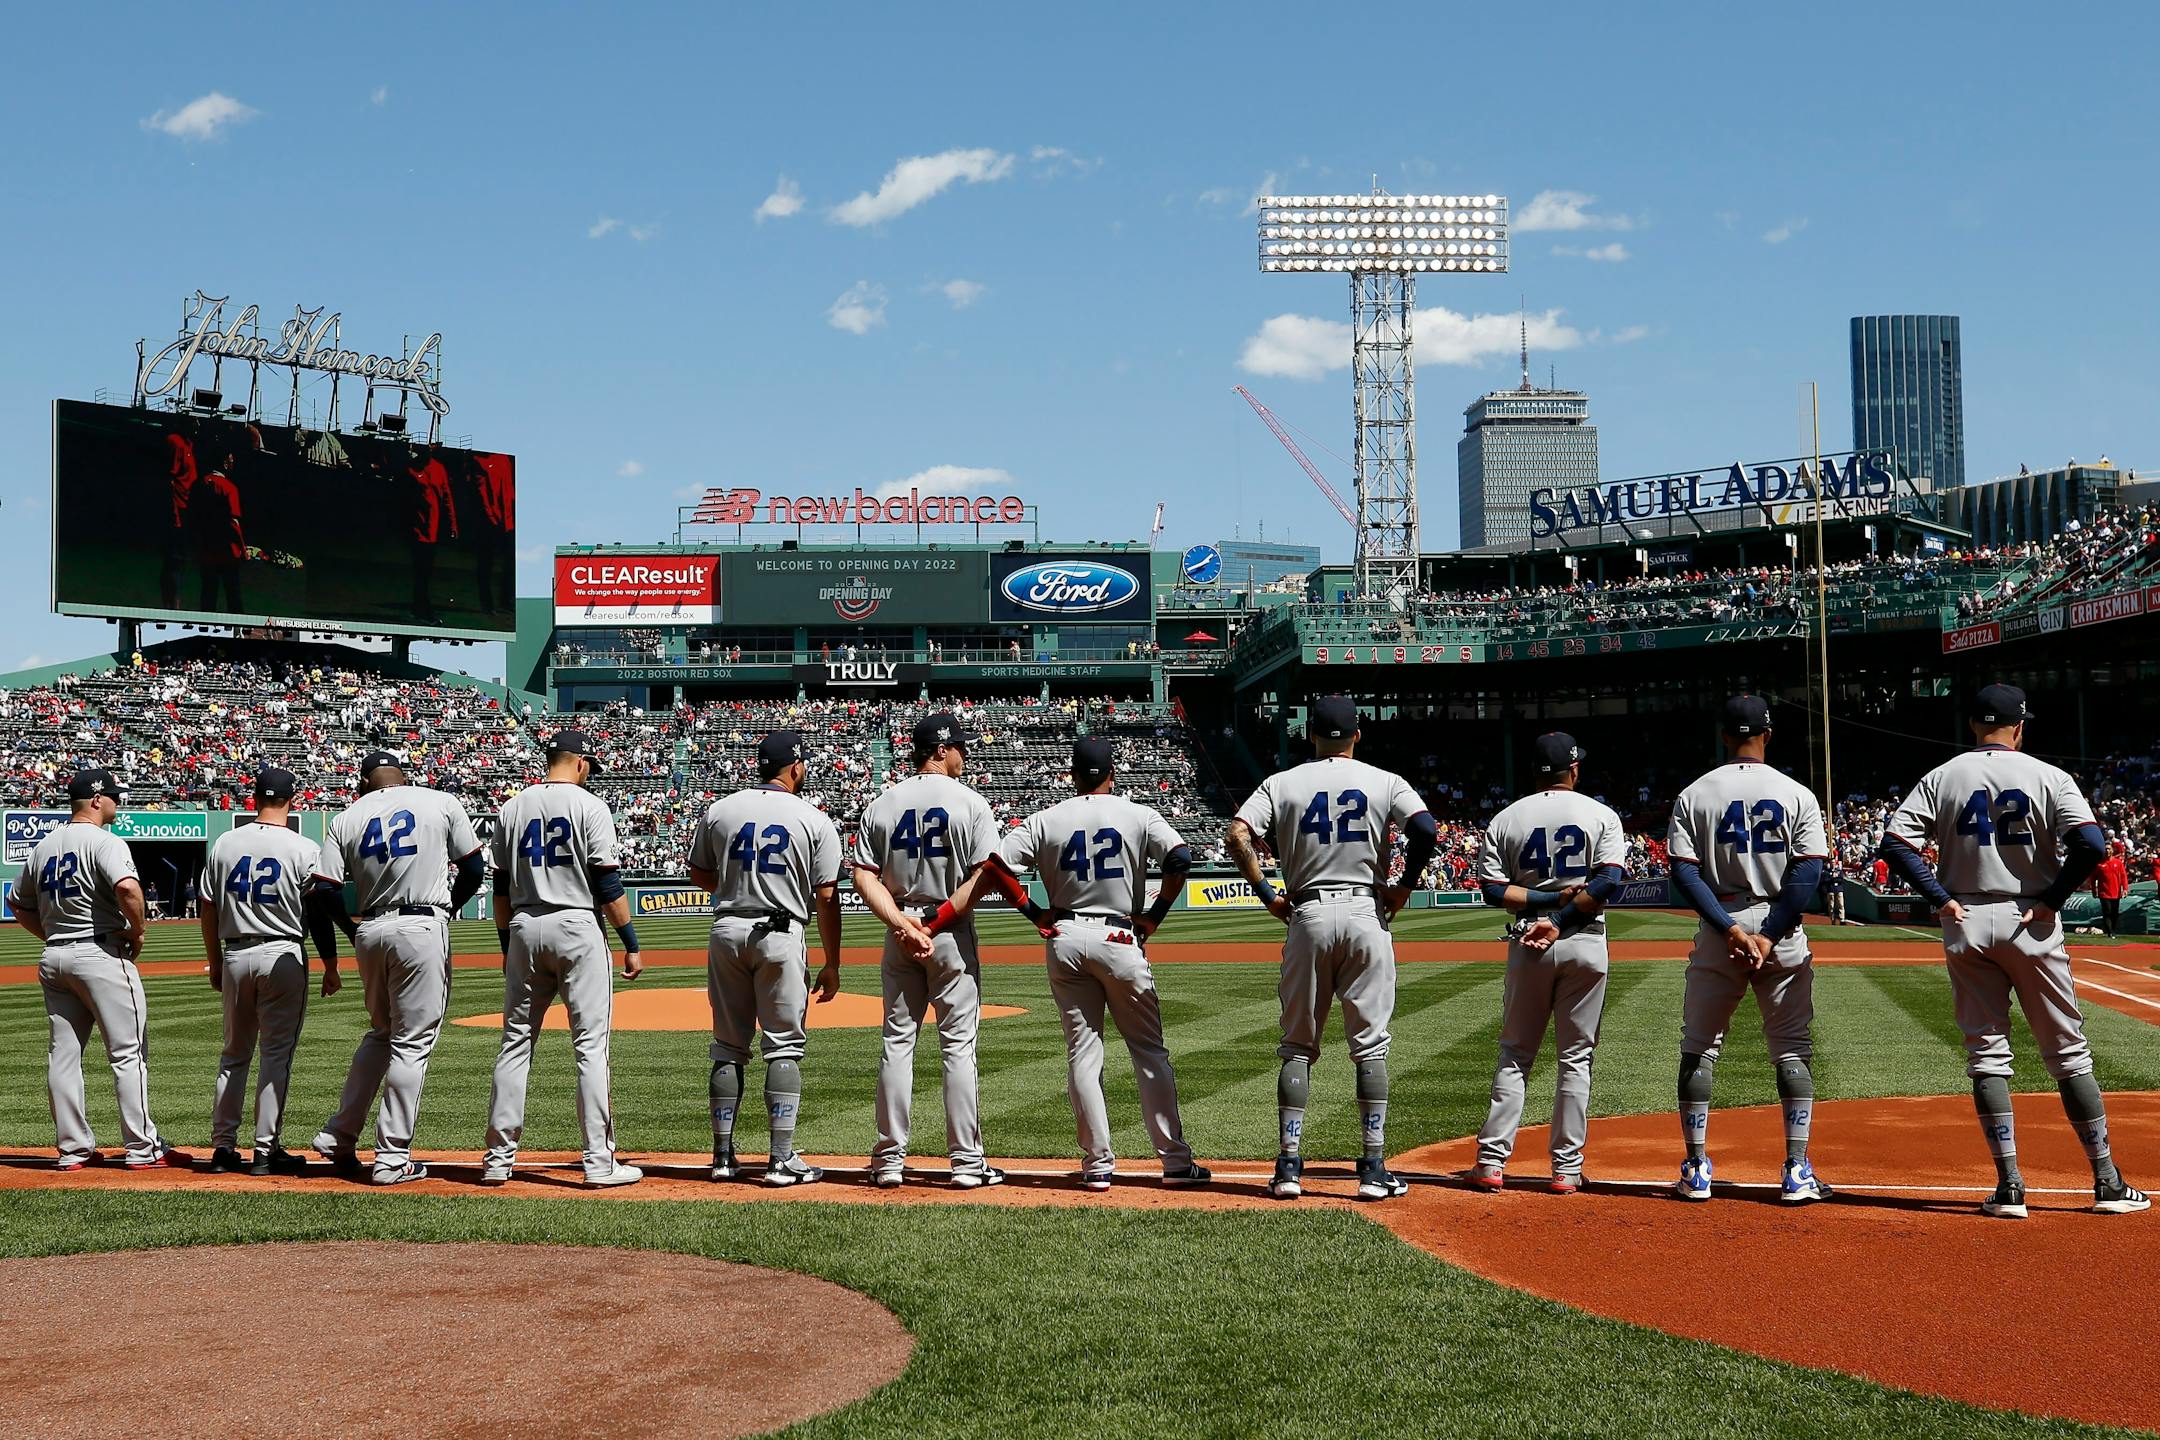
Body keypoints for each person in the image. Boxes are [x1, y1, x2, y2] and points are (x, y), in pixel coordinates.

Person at [1879, 683, 2148, 1218]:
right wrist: (2051, 900)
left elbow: (1895, 842)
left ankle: (2009, 1188)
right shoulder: (2050, 776)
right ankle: (2107, 1183)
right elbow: (2092, 846)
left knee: (1987, 1055)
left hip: (1967, 919)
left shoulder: (1943, 775)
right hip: (2031, 920)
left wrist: (1939, 897)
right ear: (2019, 726)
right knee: (2069, 1055)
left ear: (1974, 726)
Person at [926, 735, 1209, 1190]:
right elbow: (1180, 858)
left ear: (1072, 776)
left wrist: (1033, 911)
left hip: (1065, 936)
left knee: (1083, 1051)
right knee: (1149, 1051)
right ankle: (1175, 1162)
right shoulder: (1138, 814)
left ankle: (1097, 1165)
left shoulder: (1045, 819)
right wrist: (1154, 916)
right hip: (1120, 935)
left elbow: (995, 866)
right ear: (1112, 774)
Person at [1226, 695, 1438, 1202]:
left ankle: (1289, 1167)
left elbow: (1237, 833)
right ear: (1357, 735)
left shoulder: (1282, 782)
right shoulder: (1385, 780)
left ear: (1310, 735)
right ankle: (1371, 1167)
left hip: (1308, 912)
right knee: (1370, 1043)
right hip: (1368, 911)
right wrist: (1405, 884)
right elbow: (1427, 829)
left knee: (1298, 1046)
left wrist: (1268, 894)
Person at [1665, 695, 1833, 1204]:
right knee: (1791, 1048)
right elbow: (1808, 872)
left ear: (1722, 736)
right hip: (1779, 928)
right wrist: (1770, 933)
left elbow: (1684, 872)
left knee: (1699, 1046)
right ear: (1768, 733)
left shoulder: (1695, 793)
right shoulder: (1796, 792)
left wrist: (1730, 930)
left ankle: (1696, 1168)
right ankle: (1797, 1170)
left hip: (1722, 925)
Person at [309, 750, 486, 1185]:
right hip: (422, 923)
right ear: (403, 776)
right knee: (412, 1043)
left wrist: (353, 932)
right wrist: (448, 909)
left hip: (371, 927)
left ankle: (339, 1133)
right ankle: (391, 1157)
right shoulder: (439, 800)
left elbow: (325, 890)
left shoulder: (347, 817)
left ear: (365, 781)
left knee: (381, 1034)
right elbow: (474, 869)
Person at [481, 729, 644, 1188]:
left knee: (515, 1043)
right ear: (579, 762)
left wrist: (507, 947)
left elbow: (498, 890)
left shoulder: (511, 807)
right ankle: (598, 1161)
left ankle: (497, 1159)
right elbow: (608, 888)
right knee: (591, 1047)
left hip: (523, 924)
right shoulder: (590, 807)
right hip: (575, 924)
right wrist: (630, 941)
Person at [1465, 733, 1626, 1195]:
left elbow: (1493, 890)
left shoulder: (1506, 817)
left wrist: (1543, 904)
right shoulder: (1601, 815)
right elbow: (1608, 880)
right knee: (1575, 1057)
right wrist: (1562, 908)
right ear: (1573, 771)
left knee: (1515, 1054)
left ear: (1534, 772)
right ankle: (1566, 1170)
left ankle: (1491, 1163)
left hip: (1529, 940)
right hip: (1585, 938)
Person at [848, 712, 1002, 1188]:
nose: (963, 753)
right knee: (958, 1047)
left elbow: (862, 875)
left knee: (897, 1044)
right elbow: (987, 874)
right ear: (939, 749)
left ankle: (889, 1161)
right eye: (958, 745)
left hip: (900, 932)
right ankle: (967, 1164)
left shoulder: (881, 804)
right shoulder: (971, 803)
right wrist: (933, 923)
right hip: (949, 932)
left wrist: (903, 924)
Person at [686, 730, 844, 1187]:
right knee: (783, 1045)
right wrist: (832, 961)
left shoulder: (721, 809)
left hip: (727, 929)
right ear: (794, 767)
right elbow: (828, 895)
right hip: (780, 932)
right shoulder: (812, 818)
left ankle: (721, 1157)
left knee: (727, 1047)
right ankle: (780, 1159)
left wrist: (736, 893)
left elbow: (698, 870)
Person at [18, 769, 186, 1170]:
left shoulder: (43, 847)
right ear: (95, 800)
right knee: (128, 1054)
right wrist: (138, 931)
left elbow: (18, 905)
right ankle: (143, 1148)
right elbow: (128, 888)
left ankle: (73, 1149)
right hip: (100, 954)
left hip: (55, 956)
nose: (117, 801)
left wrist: (52, 936)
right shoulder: (104, 841)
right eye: (113, 795)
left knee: (63, 1056)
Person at [199, 768, 343, 1176]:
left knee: (233, 1055)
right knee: (275, 1054)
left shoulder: (226, 842)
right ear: (291, 800)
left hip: (235, 953)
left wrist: (215, 961)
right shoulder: (302, 847)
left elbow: (207, 906)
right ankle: (265, 1150)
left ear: (254, 798)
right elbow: (317, 912)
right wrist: (330, 964)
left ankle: (223, 1149)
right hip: (282, 952)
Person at [186, 445, 246, 613]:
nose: (233, 463)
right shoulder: (229, 488)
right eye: (231, 460)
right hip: (228, 552)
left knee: (208, 594)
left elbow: (192, 519)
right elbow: (233, 522)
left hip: (206, 550)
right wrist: (243, 549)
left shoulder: (198, 485)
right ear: (225, 462)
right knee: (233, 595)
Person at [407, 445, 460, 622]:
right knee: (421, 571)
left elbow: (447, 498)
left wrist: (453, 525)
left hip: (433, 531)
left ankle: (419, 607)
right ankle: (422, 609)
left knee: (426, 571)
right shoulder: (410, 469)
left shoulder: (439, 468)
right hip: (416, 530)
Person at [159, 417, 197, 608]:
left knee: (182, 559)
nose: (198, 425)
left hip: (188, 511)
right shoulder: (175, 441)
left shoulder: (189, 443)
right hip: (177, 513)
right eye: (194, 420)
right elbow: (170, 478)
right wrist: (174, 512)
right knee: (174, 559)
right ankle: (171, 606)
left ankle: (176, 604)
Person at [2092, 840, 2130, 937]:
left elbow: (2123, 876)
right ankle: (2109, 931)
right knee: (2107, 911)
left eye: (2109, 849)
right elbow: (2093, 878)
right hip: (2104, 893)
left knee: (2114, 912)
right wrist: (2094, 890)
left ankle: (2112, 929)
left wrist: (2125, 889)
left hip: (2116, 892)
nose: (2107, 851)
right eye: (2106, 849)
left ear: (2112, 850)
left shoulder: (2118, 863)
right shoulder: (2099, 864)